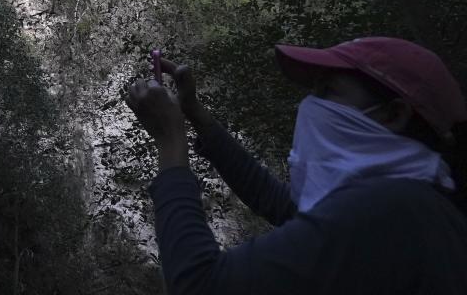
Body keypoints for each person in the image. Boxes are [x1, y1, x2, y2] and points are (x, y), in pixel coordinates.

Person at [124, 37, 467, 295]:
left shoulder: (391, 211)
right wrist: (195, 114)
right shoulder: (421, 199)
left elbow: (199, 286)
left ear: (394, 114)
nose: (310, 104)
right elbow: (281, 203)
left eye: (328, 90)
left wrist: (170, 142)